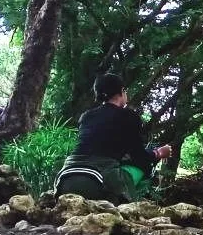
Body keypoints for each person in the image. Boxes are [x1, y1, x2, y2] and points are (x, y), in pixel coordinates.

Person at [54, 73, 173, 203]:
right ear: (122, 91)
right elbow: (140, 156)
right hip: (98, 182)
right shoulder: (129, 116)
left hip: (65, 179)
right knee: (144, 167)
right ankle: (130, 203)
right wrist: (159, 153)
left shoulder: (87, 116)